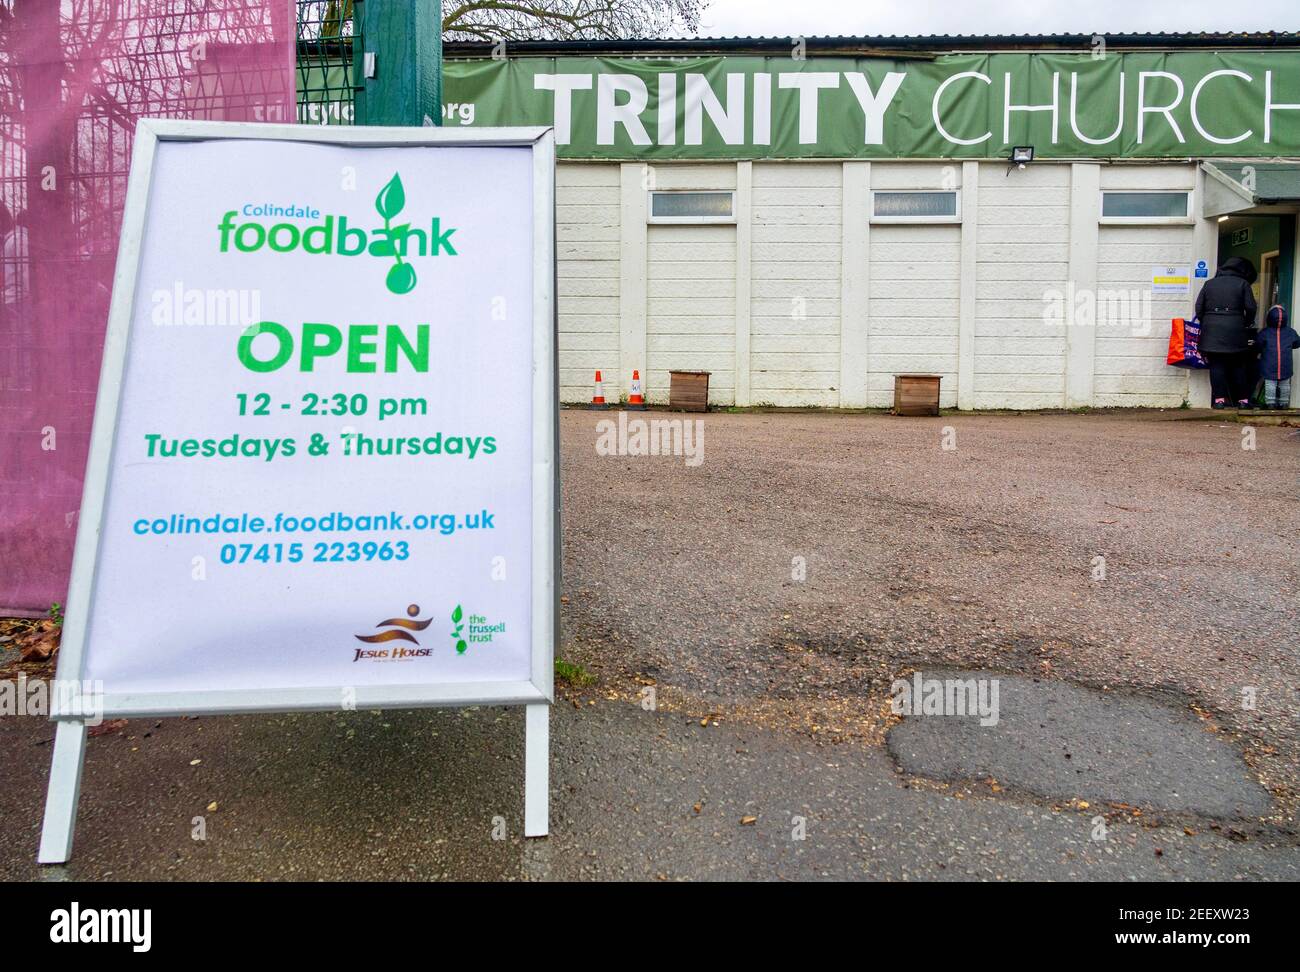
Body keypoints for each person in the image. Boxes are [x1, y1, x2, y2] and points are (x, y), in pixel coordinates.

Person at [1194, 256, 1258, 409]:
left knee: (1216, 366)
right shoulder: (1243, 284)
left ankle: (1219, 401)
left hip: (1212, 330)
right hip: (1235, 329)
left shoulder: (1209, 284)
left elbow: (1199, 307)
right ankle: (1243, 401)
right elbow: (1251, 307)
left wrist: (1208, 322)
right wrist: (1246, 322)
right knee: (1239, 366)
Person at [1256, 304, 1299, 409]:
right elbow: (1297, 343)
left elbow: (1258, 344)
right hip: (1286, 363)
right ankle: (1284, 403)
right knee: (1284, 384)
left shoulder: (1265, 332)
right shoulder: (1291, 332)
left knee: (1270, 383)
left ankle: (1270, 403)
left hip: (1269, 364)